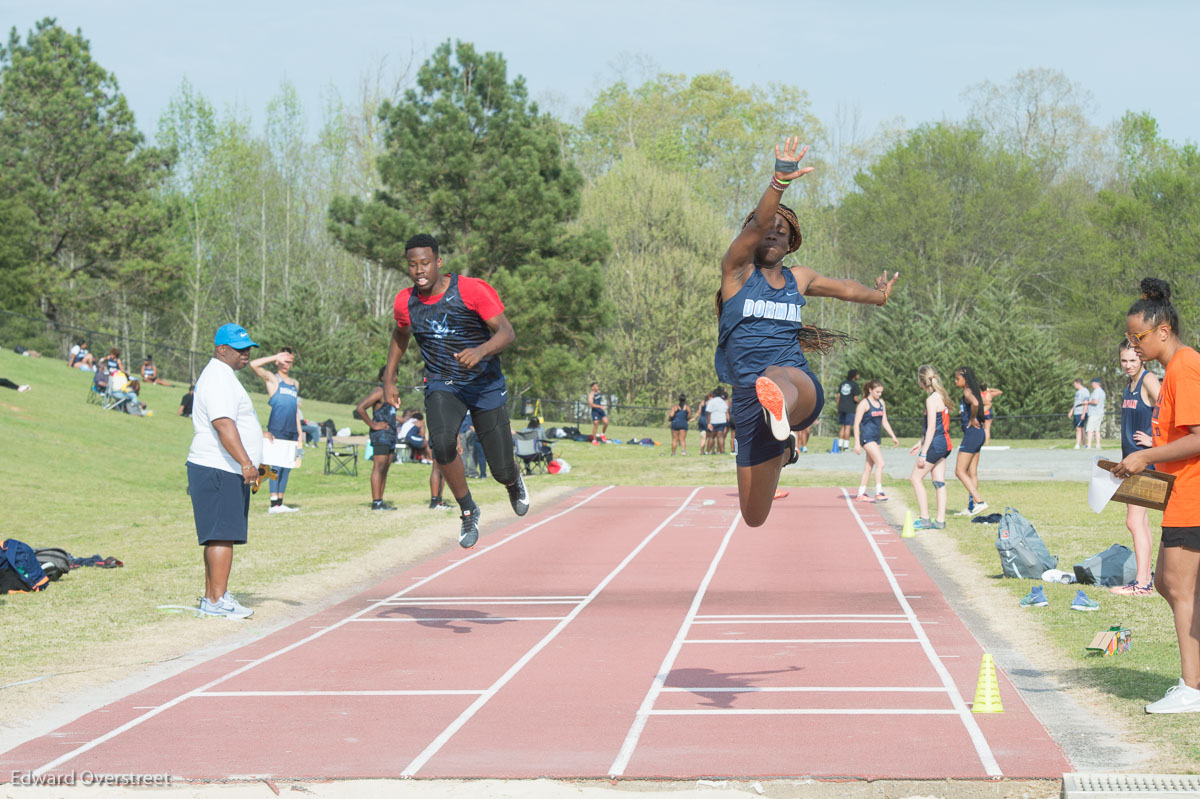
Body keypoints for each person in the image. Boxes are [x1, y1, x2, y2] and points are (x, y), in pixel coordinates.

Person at [715, 136, 897, 526]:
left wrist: (879, 297)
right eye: (767, 227)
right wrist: (778, 180)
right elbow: (761, 221)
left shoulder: (799, 279)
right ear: (751, 234)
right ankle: (784, 448)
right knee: (753, 516)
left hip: (797, 385)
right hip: (749, 402)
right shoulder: (736, 272)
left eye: (783, 231)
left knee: (774, 375)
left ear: (791, 243)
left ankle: (779, 412)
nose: (773, 233)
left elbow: (845, 288)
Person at [381, 233, 528, 549]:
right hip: (442, 382)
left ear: (438, 262)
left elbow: (507, 331)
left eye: (425, 263)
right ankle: (467, 509)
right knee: (442, 443)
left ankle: (513, 481)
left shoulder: (472, 290)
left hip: (484, 384)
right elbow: (400, 334)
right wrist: (388, 380)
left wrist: (481, 350)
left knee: (501, 469)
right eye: (412, 265)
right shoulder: (405, 302)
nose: (419, 270)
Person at [1111, 279, 1200, 713]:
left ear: (1162, 329)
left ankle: (1191, 689)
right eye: (1130, 338)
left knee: (1179, 588)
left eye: (1138, 337)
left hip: (1194, 498)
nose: (1134, 345)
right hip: (1179, 494)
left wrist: (1145, 457)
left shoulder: (1184, 366)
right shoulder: (1171, 372)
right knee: (1170, 583)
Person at [186, 323, 262, 619]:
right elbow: (223, 424)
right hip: (219, 467)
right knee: (221, 535)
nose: (246, 354)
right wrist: (246, 462)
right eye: (240, 349)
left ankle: (212, 598)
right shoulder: (218, 377)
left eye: (248, 349)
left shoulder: (223, 376)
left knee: (221, 535)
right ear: (221, 349)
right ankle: (217, 600)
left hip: (221, 467)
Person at [1113, 340, 1161, 596]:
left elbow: (1171, 411)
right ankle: (1145, 579)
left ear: (1142, 359)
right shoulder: (1128, 387)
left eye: (1133, 360)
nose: (1128, 365)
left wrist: (1156, 441)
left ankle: (1142, 583)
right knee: (1140, 522)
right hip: (1131, 462)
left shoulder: (1148, 380)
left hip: (1145, 462)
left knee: (1134, 521)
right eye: (1124, 360)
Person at [250, 347, 301, 514]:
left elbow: (295, 411)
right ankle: (273, 504)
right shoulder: (273, 379)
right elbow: (254, 364)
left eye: (290, 361)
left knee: (287, 465)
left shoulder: (295, 384)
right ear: (278, 361)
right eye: (284, 361)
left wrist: (300, 435)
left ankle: (280, 502)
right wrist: (274, 357)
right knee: (276, 466)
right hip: (277, 429)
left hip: (291, 430)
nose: (287, 364)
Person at [909, 366, 955, 530]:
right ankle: (940, 521)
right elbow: (936, 425)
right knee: (939, 482)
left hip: (936, 444)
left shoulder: (931, 400)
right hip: (945, 443)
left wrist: (923, 453)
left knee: (915, 479)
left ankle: (924, 519)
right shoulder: (941, 395)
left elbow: (931, 429)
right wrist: (919, 443)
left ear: (921, 381)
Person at [355, 367, 399, 511]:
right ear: (382, 377)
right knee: (378, 467)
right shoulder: (380, 391)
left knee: (385, 468)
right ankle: (376, 502)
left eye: (395, 374)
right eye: (389, 374)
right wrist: (373, 425)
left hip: (391, 435)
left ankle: (380, 500)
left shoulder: (392, 393)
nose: (393, 377)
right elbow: (360, 408)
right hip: (381, 436)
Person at [853, 379, 899, 502]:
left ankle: (861, 493)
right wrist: (857, 443)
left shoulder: (881, 403)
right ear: (870, 390)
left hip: (876, 438)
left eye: (881, 392)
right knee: (881, 463)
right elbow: (856, 423)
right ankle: (879, 491)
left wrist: (893, 436)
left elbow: (884, 421)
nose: (879, 394)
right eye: (877, 392)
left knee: (869, 467)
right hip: (867, 438)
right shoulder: (864, 404)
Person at [953, 366, 988, 515]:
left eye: (957, 379)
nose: (955, 381)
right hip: (979, 433)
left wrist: (973, 418)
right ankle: (972, 507)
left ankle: (979, 501)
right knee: (971, 472)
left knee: (959, 471)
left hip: (972, 433)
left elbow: (976, 404)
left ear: (965, 379)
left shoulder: (968, 392)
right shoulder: (971, 391)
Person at [836, 369, 861, 453]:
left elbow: (838, 396)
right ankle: (846, 447)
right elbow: (855, 398)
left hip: (841, 407)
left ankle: (839, 445)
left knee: (842, 427)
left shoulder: (842, 383)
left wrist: (837, 408)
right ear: (855, 376)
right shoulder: (854, 385)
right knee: (848, 427)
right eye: (858, 374)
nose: (858, 376)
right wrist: (860, 403)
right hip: (849, 408)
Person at [705, 387, 730, 455]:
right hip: (722, 420)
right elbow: (726, 410)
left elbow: (708, 412)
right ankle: (722, 451)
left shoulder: (712, 401)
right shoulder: (723, 401)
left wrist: (708, 423)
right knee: (721, 436)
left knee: (711, 437)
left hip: (714, 421)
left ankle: (707, 451)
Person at [1086, 377, 1107, 449]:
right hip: (1100, 412)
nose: (1092, 385)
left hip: (1094, 413)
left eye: (1092, 383)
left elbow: (1095, 401)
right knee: (1097, 429)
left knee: (1090, 429)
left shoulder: (1097, 391)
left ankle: (1089, 445)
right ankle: (1098, 445)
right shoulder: (1102, 391)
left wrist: (1087, 402)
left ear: (1095, 383)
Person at [1070, 378, 1090, 449]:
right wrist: (1072, 411)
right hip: (1076, 412)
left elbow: (1086, 403)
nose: (1074, 385)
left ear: (1078, 383)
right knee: (1080, 429)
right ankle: (1084, 444)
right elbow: (1076, 403)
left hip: (1081, 412)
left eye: (1075, 384)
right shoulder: (1077, 392)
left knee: (1078, 428)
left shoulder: (1085, 391)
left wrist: (1083, 413)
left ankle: (1077, 444)